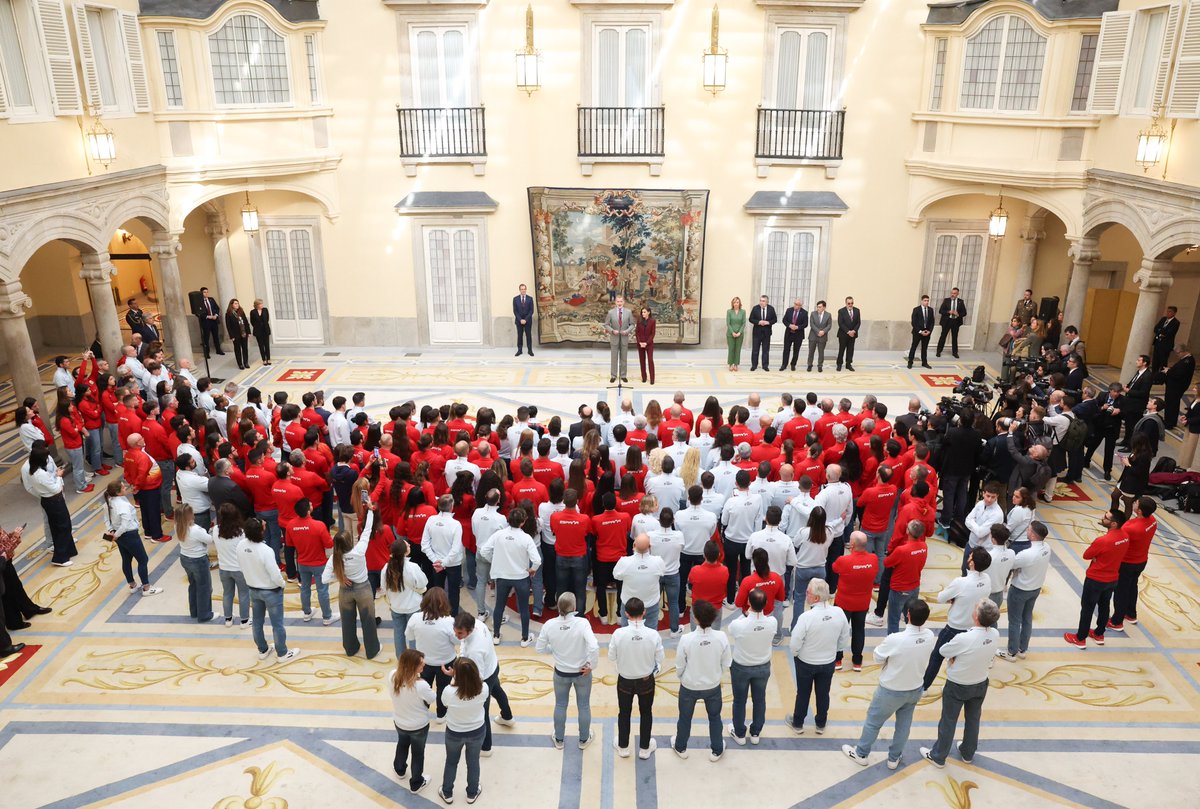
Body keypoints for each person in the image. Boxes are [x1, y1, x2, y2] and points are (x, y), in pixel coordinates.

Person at [842, 598, 935, 769]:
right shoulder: (929, 636)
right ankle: (894, 757)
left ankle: (861, 753)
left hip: (891, 689)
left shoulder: (896, 639)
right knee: (903, 725)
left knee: (873, 722)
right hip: (915, 688)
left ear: (907, 615)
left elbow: (877, 658)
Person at [921, 599, 1001, 768]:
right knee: (973, 719)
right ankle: (968, 752)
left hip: (958, 684)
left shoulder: (964, 638)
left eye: (976, 607)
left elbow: (943, 650)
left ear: (977, 617)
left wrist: (954, 657)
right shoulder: (995, 634)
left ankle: (939, 756)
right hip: (980, 682)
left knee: (948, 721)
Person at [670, 598, 732, 761]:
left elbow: (679, 665)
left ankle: (681, 747)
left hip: (689, 686)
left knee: (684, 718)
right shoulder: (721, 637)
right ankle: (717, 749)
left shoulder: (686, 639)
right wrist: (716, 675)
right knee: (715, 717)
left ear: (695, 619)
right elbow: (726, 663)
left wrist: (683, 678)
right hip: (712, 686)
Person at [537, 592, 600, 750]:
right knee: (583, 706)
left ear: (558, 606)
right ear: (574, 607)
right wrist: (591, 665)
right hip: (582, 672)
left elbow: (540, 648)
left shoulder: (549, 625)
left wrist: (553, 649)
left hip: (561, 673)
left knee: (560, 705)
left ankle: (559, 739)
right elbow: (594, 647)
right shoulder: (582, 623)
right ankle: (584, 739)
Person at [786, 578, 849, 734]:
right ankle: (821, 724)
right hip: (828, 662)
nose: (805, 594)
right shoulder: (839, 612)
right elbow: (844, 637)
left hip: (806, 662)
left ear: (816, 598)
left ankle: (798, 723)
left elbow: (795, 642)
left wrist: (796, 654)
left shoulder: (806, 617)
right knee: (823, 693)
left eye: (808, 592)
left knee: (803, 693)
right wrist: (835, 651)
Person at [923, 547, 991, 690]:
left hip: (954, 627)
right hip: (973, 627)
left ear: (972, 563)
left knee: (937, 656)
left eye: (970, 556)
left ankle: (924, 687)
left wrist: (953, 598)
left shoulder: (961, 582)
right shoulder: (987, 579)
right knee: (961, 659)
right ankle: (952, 685)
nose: (968, 557)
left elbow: (941, 598)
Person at [1064, 509, 1130, 649]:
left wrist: (1097, 557)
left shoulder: (1103, 540)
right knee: (1104, 606)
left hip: (1096, 579)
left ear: (1113, 524)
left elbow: (1087, 555)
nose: (1102, 518)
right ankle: (1099, 634)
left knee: (1087, 609)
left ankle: (1080, 638)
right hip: (1112, 579)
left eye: (1106, 517)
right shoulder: (1125, 536)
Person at [608, 596, 664, 759]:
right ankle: (645, 749)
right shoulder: (653, 634)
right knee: (646, 712)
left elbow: (611, 656)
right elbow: (660, 658)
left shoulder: (618, 633)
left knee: (624, 713)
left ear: (626, 613)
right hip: (646, 680)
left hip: (625, 679)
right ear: (644, 612)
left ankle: (623, 747)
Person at [238, 517, 300, 662]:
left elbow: (241, 564)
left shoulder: (241, 545)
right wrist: (282, 584)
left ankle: (263, 649)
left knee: (257, 622)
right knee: (277, 624)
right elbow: (275, 574)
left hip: (253, 589)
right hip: (271, 591)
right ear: (261, 531)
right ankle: (282, 653)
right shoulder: (266, 550)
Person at [323, 507, 381, 659]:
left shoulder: (334, 558)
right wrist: (370, 511)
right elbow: (367, 529)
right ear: (350, 542)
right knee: (368, 621)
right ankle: (372, 651)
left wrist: (339, 578)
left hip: (345, 591)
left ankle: (351, 649)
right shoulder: (359, 550)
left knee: (347, 622)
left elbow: (324, 579)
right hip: (363, 590)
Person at [479, 506, 541, 645]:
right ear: (523, 522)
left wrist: (494, 561)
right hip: (521, 578)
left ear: (508, 519)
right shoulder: (526, 538)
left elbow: (484, 551)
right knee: (524, 608)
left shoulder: (499, 535)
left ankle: (496, 636)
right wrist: (533, 569)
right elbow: (537, 560)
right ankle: (525, 638)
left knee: (499, 606)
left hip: (502, 576)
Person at [455, 612, 514, 756]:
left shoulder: (475, 651)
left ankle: (486, 747)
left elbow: (478, 676)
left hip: (485, 676)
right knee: (498, 691)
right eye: (455, 631)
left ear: (469, 630)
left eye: (460, 633)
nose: (456, 635)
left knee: (483, 711)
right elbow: (464, 643)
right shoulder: (477, 623)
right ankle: (507, 717)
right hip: (493, 665)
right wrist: (462, 656)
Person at [726, 588, 775, 746]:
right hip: (762, 667)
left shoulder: (739, 624)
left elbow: (731, 629)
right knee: (759, 700)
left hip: (741, 667)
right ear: (765, 604)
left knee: (739, 701)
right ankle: (755, 732)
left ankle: (740, 733)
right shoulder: (772, 622)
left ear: (748, 602)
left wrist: (745, 614)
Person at [438, 657, 487, 805]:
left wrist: (453, 677)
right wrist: (459, 673)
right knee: (473, 762)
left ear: (456, 674)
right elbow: (475, 678)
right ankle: (472, 793)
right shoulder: (483, 688)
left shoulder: (448, 691)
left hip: (454, 732)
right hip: (477, 731)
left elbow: (445, 703)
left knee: (451, 762)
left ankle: (447, 793)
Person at [999, 521, 1050, 660]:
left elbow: (1010, 564)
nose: (1026, 530)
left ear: (1033, 535)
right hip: (1035, 588)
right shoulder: (1047, 547)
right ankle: (1022, 649)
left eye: (1029, 529)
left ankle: (1011, 652)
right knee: (1027, 619)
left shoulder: (1027, 554)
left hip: (1020, 590)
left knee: (1014, 621)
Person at [22, 442, 79, 566]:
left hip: (50, 500)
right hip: (53, 500)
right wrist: (58, 477)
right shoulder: (39, 474)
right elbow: (55, 489)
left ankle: (69, 549)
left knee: (61, 526)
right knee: (62, 527)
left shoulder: (34, 470)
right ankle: (60, 558)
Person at [102, 480, 161, 596]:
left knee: (126, 559)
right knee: (143, 559)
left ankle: (132, 585)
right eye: (123, 487)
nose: (125, 487)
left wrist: (112, 532)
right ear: (118, 492)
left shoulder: (108, 503)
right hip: (130, 535)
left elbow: (106, 519)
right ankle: (146, 588)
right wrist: (116, 535)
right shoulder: (123, 506)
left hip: (119, 536)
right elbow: (125, 525)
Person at [407, 587, 458, 719]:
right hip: (446, 662)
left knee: (424, 687)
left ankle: (423, 711)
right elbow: (457, 640)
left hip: (423, 662)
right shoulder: (449, 621)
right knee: (443, 688)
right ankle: (441, 715)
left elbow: (409, 636)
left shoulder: (415, 618)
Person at [390, 648, 435, 794]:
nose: (424, 665)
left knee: (402, 744)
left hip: (400, 722)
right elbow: (432, 699)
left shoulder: (393, 676)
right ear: (411, 666)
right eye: (420, 664)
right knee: (418, 753)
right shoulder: (421, 685)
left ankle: (399, 769)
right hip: (418, 726)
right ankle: (416, 783)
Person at [832, 532, 878, 672]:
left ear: (851, 545)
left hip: (843, 603)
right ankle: (857, 661)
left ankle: (837, 659)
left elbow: (834, 567)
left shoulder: (844, 560)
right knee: (859, 630)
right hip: (862, 603)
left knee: (839, 631)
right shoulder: (873, 559)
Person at [1110, 497, 1157, 630]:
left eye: (1136, 503)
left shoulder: (1130, 527)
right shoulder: (1152, 520)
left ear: (1140, 511)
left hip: (1127, 563)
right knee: (1132, 587)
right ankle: (1131, 614)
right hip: (1141, 561)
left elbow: (1118, 542)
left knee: (1121, 591)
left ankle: (1117, 621)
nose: (1134, 503)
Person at [290, 498, 334, 624]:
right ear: (308, 511)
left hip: (302, 562)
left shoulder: (290, 525)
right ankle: (327, 616)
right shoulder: (319, 525)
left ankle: (307, 613)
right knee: (322, 590)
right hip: (319, 563)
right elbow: (329, 544)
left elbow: (289, 543)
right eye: (310, 504)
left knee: (305, 588)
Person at [422, 494, 465, 616]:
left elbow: (424, 545)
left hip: (436, 563)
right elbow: (455, 549)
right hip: (452, 564)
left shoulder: (431, 520)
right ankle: (453, 617)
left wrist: (436, 561)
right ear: (452, 507)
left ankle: (438, 615)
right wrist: (442, 563)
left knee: (438, 591)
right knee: (454, 593)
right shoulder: (456, 524)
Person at [386, 537, 428, 658]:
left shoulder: (386, 568)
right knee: (414, 634)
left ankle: (401, 658)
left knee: (398, 632)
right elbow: (423, 583)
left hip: (396, 606)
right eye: (407, 545)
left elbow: (384, 587)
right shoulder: (413, 567)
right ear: (405, 552)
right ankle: (414, 660)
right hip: (413, 607)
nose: (409, 545)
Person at [614, 533, 666, 628]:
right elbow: (663, 573)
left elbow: (617, 576)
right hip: (650, 604)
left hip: (630, 605)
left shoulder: (624, 562)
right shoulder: (658, 561)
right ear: (650, 547)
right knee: (651, 633)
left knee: (627, 632)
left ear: (634, 545)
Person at [176, 504, 214, 623]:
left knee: (193, 585)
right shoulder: (196, 530)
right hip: (198, 560)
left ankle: (195, 611)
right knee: (204, 587)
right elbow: (210, 540)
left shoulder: (178, 526)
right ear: (190, 515)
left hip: (185, 558)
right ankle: (205, 615)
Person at [212, 503, 249, 626]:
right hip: (239, 569)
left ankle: (228, 619)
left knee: (227, 593)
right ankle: (244, 620)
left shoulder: (216, 530)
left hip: (223, 568)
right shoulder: (241, 532)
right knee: (244, 594)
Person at [1160, 344, 1195, 427]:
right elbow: (1178, 370)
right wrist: (1170, 369)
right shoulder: (1185, 359)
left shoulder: (1188, 361)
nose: (1177, 355)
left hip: (1177, 387)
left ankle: (1169, 423)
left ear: (1183, 351)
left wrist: (1168, 371)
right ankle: (1169, 420)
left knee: (1172, 404)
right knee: (1171, 403)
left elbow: (1178, 374)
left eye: (1178, 353)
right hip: (1174, 386)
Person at [605, 294, 634, 384]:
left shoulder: (628, 312)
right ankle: (613, 375)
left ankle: (623, 375)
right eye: (618, 301)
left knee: (624, 358)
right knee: (614, 358)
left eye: (621, 301)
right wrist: (612, 330)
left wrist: (627, 331)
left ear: (624, 302)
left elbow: (632, 324)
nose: (619, 303)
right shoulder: (610, 312)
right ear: (615, 302)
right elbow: (606, 324)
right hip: (614, 338)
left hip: (624, 338)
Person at [748, 294, 777, 373]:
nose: (761, 302)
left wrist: (768, 322)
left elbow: (775, 319)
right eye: (760, 300)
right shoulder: (755, 308)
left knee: (765, 350)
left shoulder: (771, 309)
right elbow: (751, 319)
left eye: (763, 301)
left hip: (767, 333)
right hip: (757, 333)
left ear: (767, 302)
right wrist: (758, 322)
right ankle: (754, 365)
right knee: (755, 350)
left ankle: (765, 365)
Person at [779, 297, 808, 372]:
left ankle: (793, 364)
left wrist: (797, 327)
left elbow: (805, 324)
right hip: (789, 333)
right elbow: (784, 320)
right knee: (786, 349)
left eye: (798, 305)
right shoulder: (789, 310)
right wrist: (789, 325)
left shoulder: (804, 313)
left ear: (801, 305)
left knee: (796, 350)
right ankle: (784, 364)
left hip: (798, 335)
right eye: (795, 304)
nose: (796, 306)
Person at [936, 288, 967, 358]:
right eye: (952, 293)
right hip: (947, 321)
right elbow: (941, 311)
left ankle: (955, 353)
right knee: (943, 336)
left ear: (958, 294)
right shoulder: (946, 300)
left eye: (954, 293)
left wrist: (958, 314)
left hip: (956, 322)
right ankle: (938, 351)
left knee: (954, 337)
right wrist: (948, 312)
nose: (952, 294)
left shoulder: (961, 302)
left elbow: (964, 313)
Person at [195, 286, 224, 358]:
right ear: (201, 293)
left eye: (207, 292)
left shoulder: (211, 299)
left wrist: (216, 315)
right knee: (206, 338)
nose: (206, 293)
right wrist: (208, 316)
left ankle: (218, 350)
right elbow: (198, 313)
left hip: (214, 321)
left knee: (216, 336)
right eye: (204, 292)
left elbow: (217, 308)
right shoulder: (199, 302)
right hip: (206, 322)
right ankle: (207, 353)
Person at [907, 295, 935, 369]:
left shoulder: (930, 310)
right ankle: (910, 362)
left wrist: (929, 331)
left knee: (924, 348)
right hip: (917, 332)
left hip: (927, 332)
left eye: (927, 301)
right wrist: (920, 331)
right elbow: (914, 322)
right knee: (914, 347)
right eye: (925, 300)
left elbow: (932, 322)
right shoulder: (916, 309)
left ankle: (924, 362)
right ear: (922, 301)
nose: (926, 302)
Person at [1152, 305, 1180, 374]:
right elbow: (1155, 328)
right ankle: (1154, 375)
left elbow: (1169, 333)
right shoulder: (1163, 319)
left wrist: (1160, 331)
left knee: (1163, 362)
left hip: (1166, 345)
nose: (1167, 313)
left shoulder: (1176, 322)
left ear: (1174, 313)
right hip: (1157, 343)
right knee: (1155, 361)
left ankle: (1161, 376)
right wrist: (1161, 332)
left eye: (1170, 312)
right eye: (1167, 311)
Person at [836, 296, 861, 372]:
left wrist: (854, 331)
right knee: (841, 349)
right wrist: (848, 331)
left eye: (852, 303)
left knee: (850, 350)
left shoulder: (857, 310)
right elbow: (840, 323)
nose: (850, 305)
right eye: (849, 303)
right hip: (843, 334)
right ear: (846, 303)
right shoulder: (841, 311)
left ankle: (848, 364)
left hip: (853, 334)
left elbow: (858, 322)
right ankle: (839, 364)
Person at [225, 299, 252, 370]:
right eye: (235, 303)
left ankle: (246, 362)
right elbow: (228, 326)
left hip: (243, 333)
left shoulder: (241, 312)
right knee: (237, 350)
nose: (237, 305)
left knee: (245, 348)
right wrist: (232, 336)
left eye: (238, 303)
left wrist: (248, 332)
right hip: (235, 335)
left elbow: (246, 322)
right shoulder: (228, 314)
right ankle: (240, 364)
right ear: (232, 305)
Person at [807, 300, 832, 373]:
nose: (818, 308)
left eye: (820, 307)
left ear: (824, 307)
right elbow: (812, 324)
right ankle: (809, 365)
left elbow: (829, 325)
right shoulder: (813, 314)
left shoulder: (828, 315)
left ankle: (820, 365)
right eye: (817, 307)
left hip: (823, 336)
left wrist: (823, 332)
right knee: (811, 352)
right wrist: (818, 331)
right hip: (813, 336)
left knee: (821, 352)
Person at [636, 305, 656, 385]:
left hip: (649, 344)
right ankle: (644, 377)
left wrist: (646, 343)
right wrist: (640, 342)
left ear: (649, 312)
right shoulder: (639, 321)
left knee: (650, 360)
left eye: (644, 312)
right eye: (642, 312)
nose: (643, 314)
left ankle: (652, 378)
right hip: (640, 344)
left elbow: (652, 333)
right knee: (642, 361)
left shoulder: (652, 321)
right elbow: (637, 333)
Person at [513, 283, 535, 357]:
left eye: (524, 289)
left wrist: (525, 319)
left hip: (528, 321)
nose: (523, 290)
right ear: (519, 290)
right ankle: (519, 350)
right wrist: (520, 320)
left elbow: (531, 311)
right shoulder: (515, 299)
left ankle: (530, 350)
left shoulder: (530, 299)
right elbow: (515, 311)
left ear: (526, 289)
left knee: (528, 335)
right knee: (519, 336)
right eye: (522, 289)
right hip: (519, 321)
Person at [726, 297, 746, 372]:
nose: (736, 304)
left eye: (737, 302)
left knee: (738, 349)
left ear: (739, 303)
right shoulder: (729, 311)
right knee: (731, 349)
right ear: (732, 303)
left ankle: (736, 364)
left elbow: (743, 323)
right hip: (730, 334)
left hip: (740, 334)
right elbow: (728, 323)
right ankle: (730, 364)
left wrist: (739, 332)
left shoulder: (743, 312)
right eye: (734, 302)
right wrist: (732, 332)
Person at [249, 298, 272, 366]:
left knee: (267, 345)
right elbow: (252, 322)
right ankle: (264, 359)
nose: (262, 305)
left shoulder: (265, 310)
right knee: (261, 346)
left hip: (265, 330)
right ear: (257, 305)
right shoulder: (253, 312)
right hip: (258, 331)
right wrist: (257, 327)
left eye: (262, 303)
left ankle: (268, 358)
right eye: (260, 304)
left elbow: (267, 319)